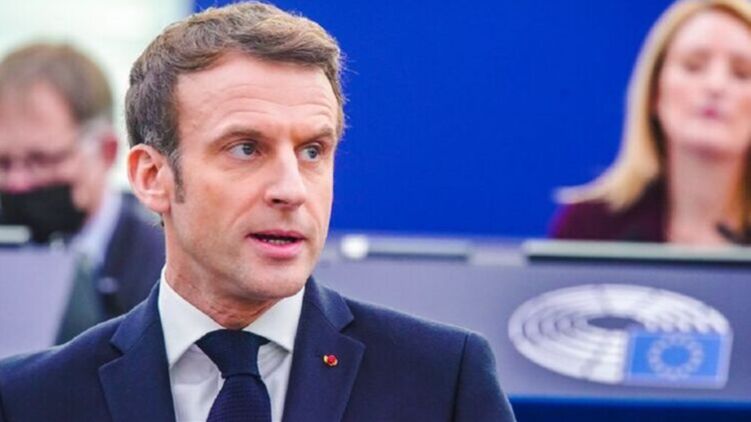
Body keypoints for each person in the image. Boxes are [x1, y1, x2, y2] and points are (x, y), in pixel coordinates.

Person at [0, 3, 515, 421]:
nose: (291, 189)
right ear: (152, 177)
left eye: (313, 151)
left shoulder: (441, 381)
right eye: (246, 148)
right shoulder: (31, 400)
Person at [549, 0, 751, 245]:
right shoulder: (590, 228)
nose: (715, 85)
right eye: (693, 66)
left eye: (742, 73)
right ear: (654, 92)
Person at [0, 43, 164, 340]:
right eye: (3, 163)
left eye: (42, 160)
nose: (17, 182)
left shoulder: (163, 268)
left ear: (106, 151)